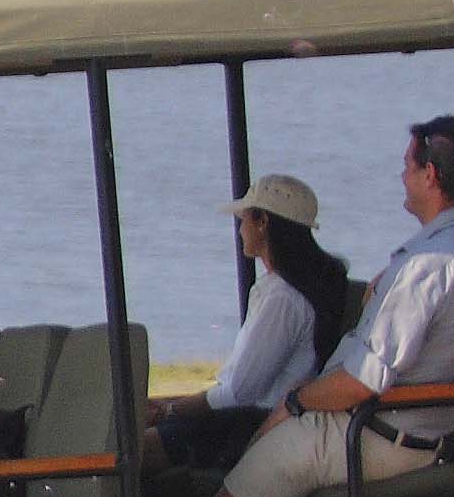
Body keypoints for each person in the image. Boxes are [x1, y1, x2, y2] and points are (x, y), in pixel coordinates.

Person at [196, 118, 454, 497]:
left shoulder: (426, 266)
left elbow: (361, 381)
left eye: (408, 166)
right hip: (397, 426)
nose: (402, 176)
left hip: (374, 433)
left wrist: (296, 402)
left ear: (431, 176)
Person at [151, 174, 357, 476]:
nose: (240, 229)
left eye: (244, 219)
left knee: (129, 451)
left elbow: (240, 392)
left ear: (263, 222)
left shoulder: (282, 298)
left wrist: (171, 409)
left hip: (247, 425)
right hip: (256, 419)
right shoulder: (287, 290)